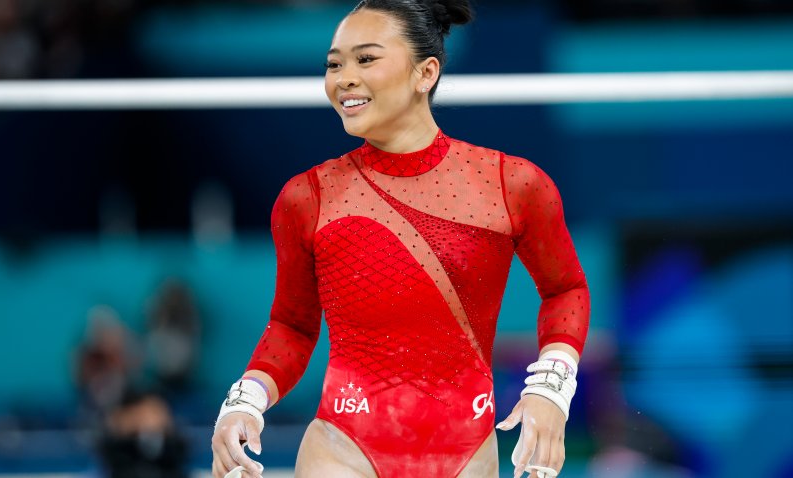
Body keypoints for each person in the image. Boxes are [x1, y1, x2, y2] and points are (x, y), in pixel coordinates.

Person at [211, 1, 590, 477]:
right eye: (334, 63)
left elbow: (565, 290)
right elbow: (292, 326)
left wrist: (552, 387)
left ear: (425, 72)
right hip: (342, 449)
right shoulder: (307, 197)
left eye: (365, 59)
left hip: (466, 453)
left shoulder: (511, 184)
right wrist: (245, 401)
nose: (343, 77)